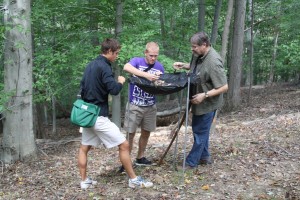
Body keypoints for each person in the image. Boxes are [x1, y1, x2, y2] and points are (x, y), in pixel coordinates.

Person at [77, 38, 153, 189]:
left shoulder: (90, 65)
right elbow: (114, 90)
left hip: (87, 115)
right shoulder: (105, 67)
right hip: (98, 116)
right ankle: (133, 180)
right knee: (124, 145)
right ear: (109, 51)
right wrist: (120, 81)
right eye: (116, 53)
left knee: (84, 147)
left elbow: (82, 88)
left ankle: (84, 181)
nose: (117, 56)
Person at [173, 32, 228, 169]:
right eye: (192, 46)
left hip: (208, 103)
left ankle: (191, 162)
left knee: (200, 132)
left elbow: (224, 87)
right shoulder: (199, 55)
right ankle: (205, 156)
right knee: (199, 130)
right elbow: (200, 70)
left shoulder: (214, 62)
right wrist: (185, 65)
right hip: (197, 100)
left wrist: (205, 95)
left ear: (204, 45)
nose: (192, 49)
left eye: (195, 46)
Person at [121, 42, 164, 172]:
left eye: (156, 56)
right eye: (151, 55)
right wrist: (147, 75)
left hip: (150, 106)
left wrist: (159, 83)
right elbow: (126, 67)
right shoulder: (137, 61)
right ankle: (126, 161)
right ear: (145, 52)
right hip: (135, 105)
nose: (153, 58)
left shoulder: (159, 67)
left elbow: (160, 82)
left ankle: (140, 158)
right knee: (130, 134)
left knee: (146, 132)